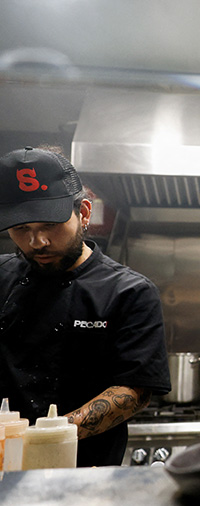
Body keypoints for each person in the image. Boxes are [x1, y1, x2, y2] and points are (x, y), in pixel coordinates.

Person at [0, 146, 170, 466]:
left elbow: (134, 389)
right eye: (22, 229)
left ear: (85, 213)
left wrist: (49, 435)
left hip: (87, 477)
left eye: (50, 225)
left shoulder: (130, 292)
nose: (38, 242)